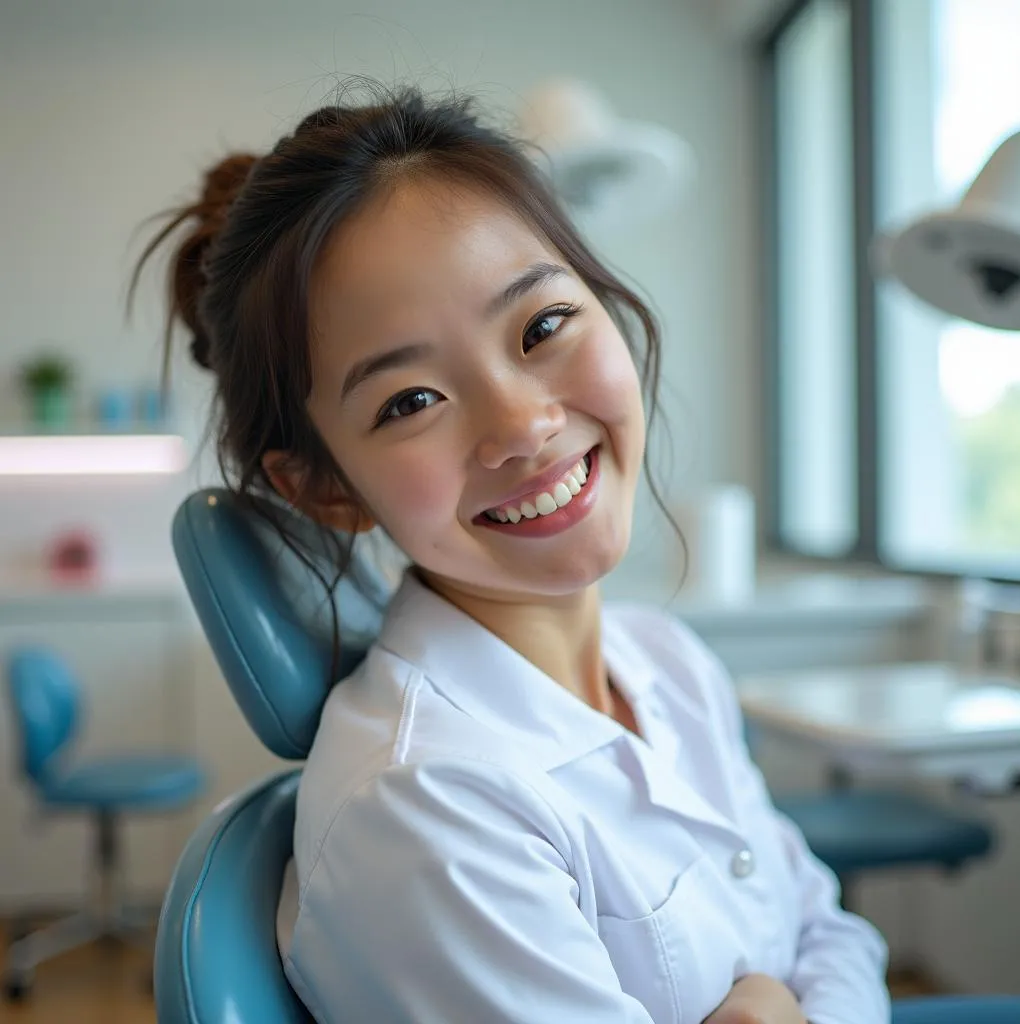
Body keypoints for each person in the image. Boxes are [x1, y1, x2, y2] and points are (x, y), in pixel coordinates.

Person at [135, 86, 889, 1024]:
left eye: (541, 327)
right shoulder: (423, 807)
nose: (523, 427)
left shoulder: (667, 664)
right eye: (409, 401)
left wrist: (783, 1008)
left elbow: (829, 928)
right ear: (325, 487)